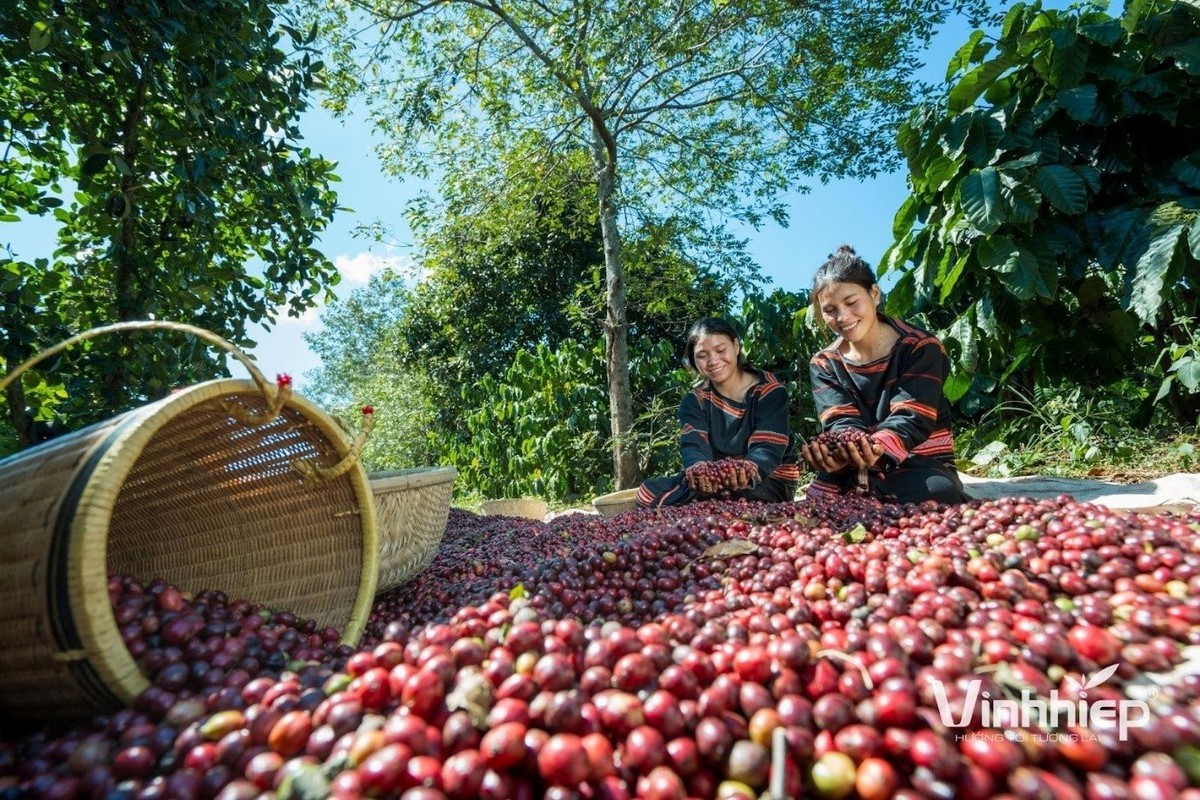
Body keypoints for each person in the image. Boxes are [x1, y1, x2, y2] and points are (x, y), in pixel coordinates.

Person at [802, 245, 967, 505]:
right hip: (854, 466)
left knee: (939, 491)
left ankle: (863, 495)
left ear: (875, 294)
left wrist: (876, 448)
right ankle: (865, 492)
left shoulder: (920, 347)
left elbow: (912, 418)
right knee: (818, 500)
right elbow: (840, 422)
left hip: (918, 462)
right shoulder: (824, 363)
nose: (842, 317)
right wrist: (843, 451)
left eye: (851, 302)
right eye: (829, 310)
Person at [636, 317, 801, 508]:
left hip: (767, 479)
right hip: (716, 479)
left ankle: (712, 504)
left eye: (721, 350)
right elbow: (694, 446)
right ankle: (714, 503)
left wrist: (744, 471)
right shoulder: (695, 401)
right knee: (648, 491)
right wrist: (700, 473)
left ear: (736, 346)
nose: (713, 361)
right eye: (702, 355)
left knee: (737, 498)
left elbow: (767, 448)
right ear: (694, 360)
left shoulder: (769, 391)